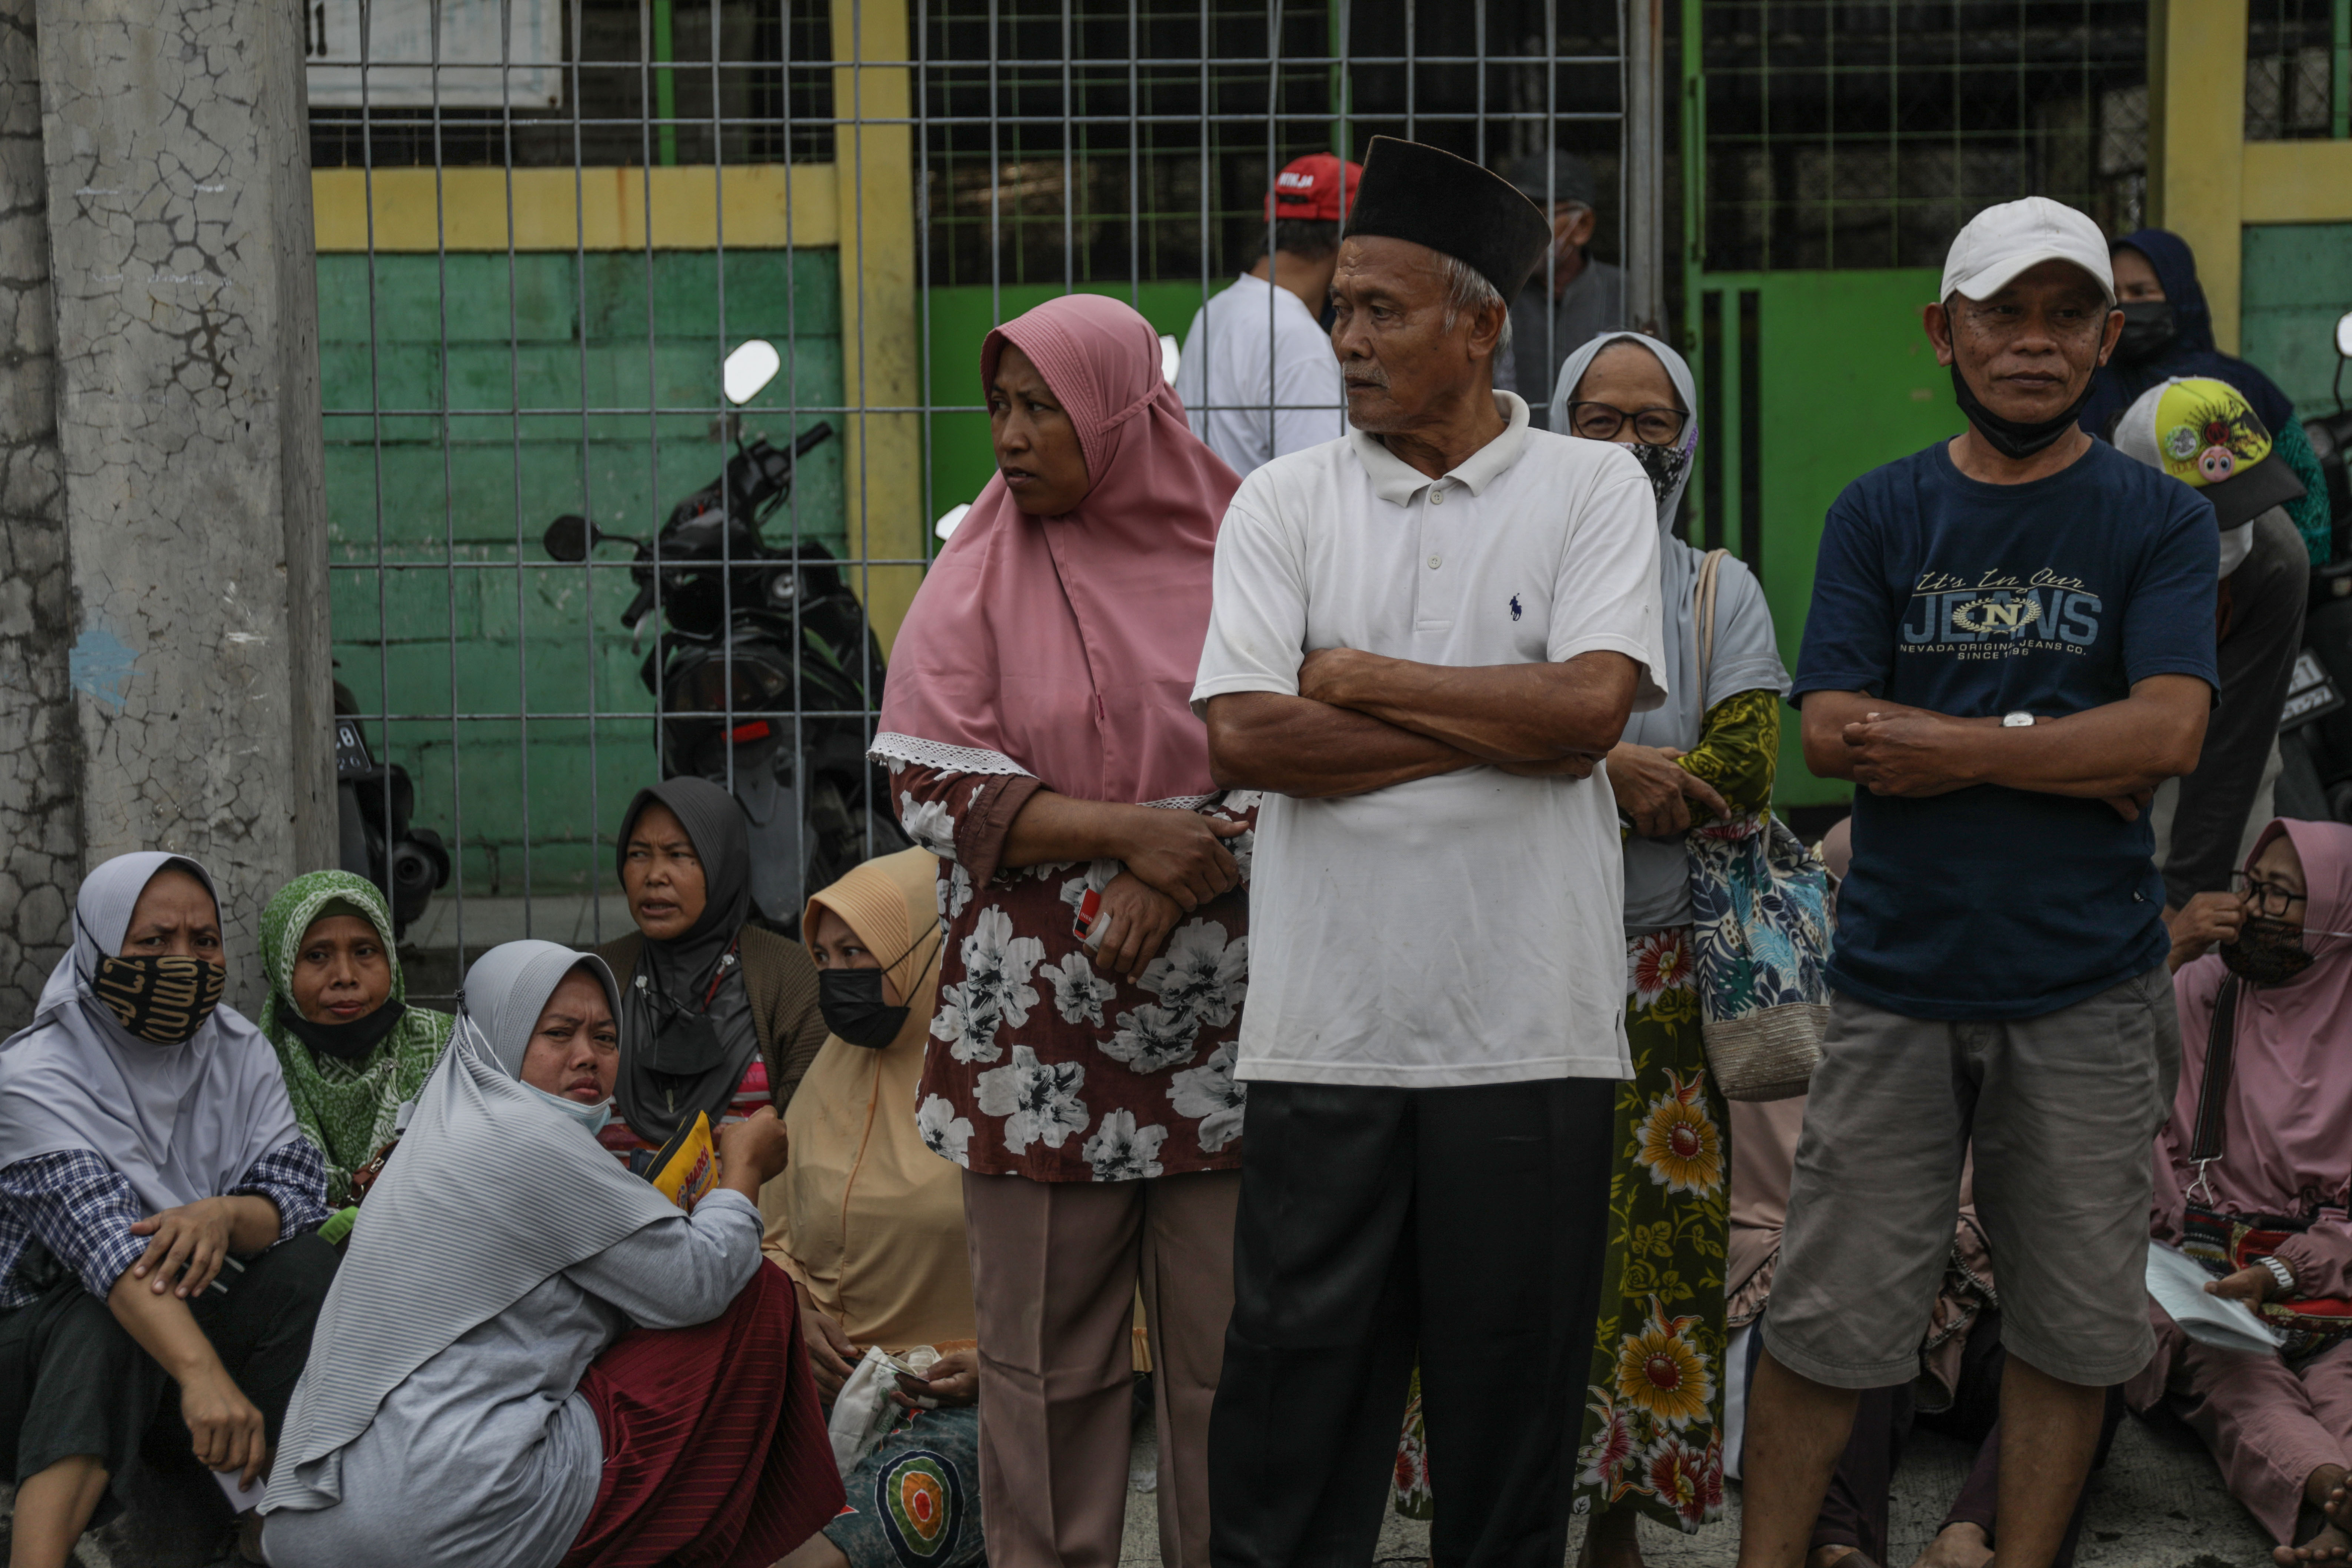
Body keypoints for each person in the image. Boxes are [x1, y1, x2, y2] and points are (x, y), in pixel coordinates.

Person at [1193, 135, 1665, 1567]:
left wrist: (1360, 676)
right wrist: (1507, 722)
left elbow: (1591, 708)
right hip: (1327, 1035)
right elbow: (1246, 740)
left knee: (1506, 1438)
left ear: (1481, 323)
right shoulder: (1283, 501)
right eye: (1338, 307)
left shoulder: (1591, 490)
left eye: (1379, 310)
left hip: (1527, 1036)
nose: (1343, 339)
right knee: (1288, 1431)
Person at [1737, 195, 2219, 1568]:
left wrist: (1942, 742)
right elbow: (1831, 733)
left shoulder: (2154, 520)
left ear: (2105, 335)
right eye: (2003, 313)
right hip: (1894, 982)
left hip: (2087, 985)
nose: (2035, 341)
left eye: (2068, 314)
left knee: (2072, 1323)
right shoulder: (1882, 511)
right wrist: (2063, 749)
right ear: (1942, 330)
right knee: (1828, 1316)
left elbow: (2168, 733)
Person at [873, 290, 1254, 1568]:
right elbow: (927, 781)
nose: (1012, 436)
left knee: (1226, 1370)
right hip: (1034, 1043)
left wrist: (1178, 866)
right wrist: (1124, 832)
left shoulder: (1249, 554)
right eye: (1000, 408)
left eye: (1043, 407)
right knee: (1044, 1371)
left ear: (1120, 413)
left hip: (1224, 1044)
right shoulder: (976, 570)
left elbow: (1306, 753)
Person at [262, 939, 838, 1568]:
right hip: (445, 1517)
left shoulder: (439, 1126)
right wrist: (744, 1172)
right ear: (499, 1035)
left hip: (310, 1523)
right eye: (559, 1033)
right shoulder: (524, 1136)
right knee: (753, 1295)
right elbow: (700, 1279)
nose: (587, 1056)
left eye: (606, 1037)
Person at [1543, 330, 1786, 1554]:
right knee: (1526, 1244)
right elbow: (1465, 743)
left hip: (1670, 980)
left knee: (1658, 1263)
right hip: (1528, 971)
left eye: (1655, 423)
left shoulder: (1714, 589)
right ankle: (1520, 1494)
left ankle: (1621, 1514)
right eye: (1602, 419)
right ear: (1556, 424)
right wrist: (1615, 763)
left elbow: (1743, 770)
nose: (1633, 447)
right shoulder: (1515, 582)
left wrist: (1576, 762)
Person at [0, 853, 334, 1568]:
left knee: (308, 1269)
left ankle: (258, 1524)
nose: (183, 962)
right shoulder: (34, 1077)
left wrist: (220, 1214)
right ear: (96, 948)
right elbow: (108, 1249)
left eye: (204, 940)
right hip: (35, 1364)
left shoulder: (240, 1053)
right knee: (102, 1312)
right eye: (153, 942)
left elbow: (299, 1195)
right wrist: (203, 1376)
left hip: (175, 1348)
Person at [2129, 819, 2352, 1566]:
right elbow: (2090, 1059)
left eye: (2280, 896)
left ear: (2337, 916)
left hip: (2334, 1281)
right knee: (2235, 1374)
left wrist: (2285, 1271)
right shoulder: (2204, 986)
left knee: (2342, 1378)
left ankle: (2337, 1520)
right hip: (2203, 1271)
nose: (2250, 908)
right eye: (2249, 885)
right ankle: (2330, 1491)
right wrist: (2172, 950)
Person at [769, 846, 983, 1568]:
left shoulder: (998, 1091)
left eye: (857, 951)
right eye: (823, 957)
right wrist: (792, 1304)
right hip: (820, 1380)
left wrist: (998, 1364)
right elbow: (770, 1232)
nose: (836, 977)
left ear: (931, 943)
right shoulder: (829, 1075)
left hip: (965, 1400)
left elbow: (1094, 1269)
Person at [2109, 376, 2313, 918]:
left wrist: (2185, 904)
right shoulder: (2086, 542)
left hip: (2220, 755)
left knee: (2219, 922)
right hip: (2097, 748)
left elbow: (2235, 745)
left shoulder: (2276, 562)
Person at [593, 777, 830, 1166]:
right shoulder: (600, 974)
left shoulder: (789, 976)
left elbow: (812, 1136)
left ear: (723, 863)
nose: (654, 875)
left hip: (760, 1221)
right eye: (638, 854)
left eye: (678, 854)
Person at [2082, 228, 2332, 564]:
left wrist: (2300, 564)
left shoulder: (2243, 386)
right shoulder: (2083, 385)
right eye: (2115, 294)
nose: (2127, 304)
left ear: (2180, 296)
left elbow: (2304, 488)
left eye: (2141, 292)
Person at [257, 869, 453, 1210]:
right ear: (282, 967)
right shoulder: (250, 1072)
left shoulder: (450, 1051)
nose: (345, 977)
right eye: (317, 956)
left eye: (365, 951)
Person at [1175, 151, 1361, 475]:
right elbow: (1319, 490)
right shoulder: (1297, 340)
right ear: (1347, 238)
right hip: (1265, 526)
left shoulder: (1216, 310)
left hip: (1215, 521)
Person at [1498, 153, 1626, 429]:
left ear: (1582, 226)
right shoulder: (1493, 294)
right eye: (1514, 214)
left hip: (1602, 462)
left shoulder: (1627, 294)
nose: (1520, 228)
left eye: (1538, 214)